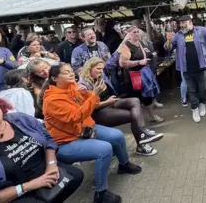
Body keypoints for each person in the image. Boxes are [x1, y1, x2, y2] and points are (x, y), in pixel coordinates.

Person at [42, 63, 141, 203]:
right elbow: (76, 116)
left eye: (71, 71)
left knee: (117, 135)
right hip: (66, 142)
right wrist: (93, 94)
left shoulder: (73, 87)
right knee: (104, 149)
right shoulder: (52, 99)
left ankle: (124, 165)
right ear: (54, 78)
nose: (71, 74)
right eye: (66, 73)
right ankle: (101, 193)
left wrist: (87, 94)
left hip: (84, 130)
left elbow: (93, 102)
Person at [0, 93, 84, 203]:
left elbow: (48, 139)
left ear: (1, 107)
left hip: (47, 173)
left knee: (77, 175)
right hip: (15, 194)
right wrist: (31, 185)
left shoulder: (20, 119)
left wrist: (51, 164)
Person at [79, 57, 163, 156]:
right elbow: (88, 108)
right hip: (98, 111)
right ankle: (142, 143)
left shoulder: (101, 77)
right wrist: (106, 102)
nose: (101, 71)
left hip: (111, 102)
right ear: (89, 69)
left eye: (102, 69)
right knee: (132, 115)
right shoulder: (83, 85)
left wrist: (109, 100)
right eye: (98, 69)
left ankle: (142, 132)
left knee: (135, 100)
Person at [165, 15, 206, 123]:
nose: (181, 25)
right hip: (186, 69)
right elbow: (168, 48)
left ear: (190, 22)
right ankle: (195, 108)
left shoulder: (201, 30)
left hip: (200, 67)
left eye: (183, 23)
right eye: (180, 23)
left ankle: (202, 104)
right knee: (192, 90)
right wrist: (169, 40)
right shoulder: (178, 35)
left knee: (202, 89)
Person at [122, 26, 164, 123]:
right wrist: (139, 62)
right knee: (137, 99)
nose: (137, 34)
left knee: (147, 96)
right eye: (134, 32)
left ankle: (150, 116)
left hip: (144, 74)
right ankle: (139, 120)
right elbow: (122, 63)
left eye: (138, 32)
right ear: (129, 34)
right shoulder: (126, 46)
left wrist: (151, 54)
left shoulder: (139, 43)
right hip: (134, 76)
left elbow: (148, 53)